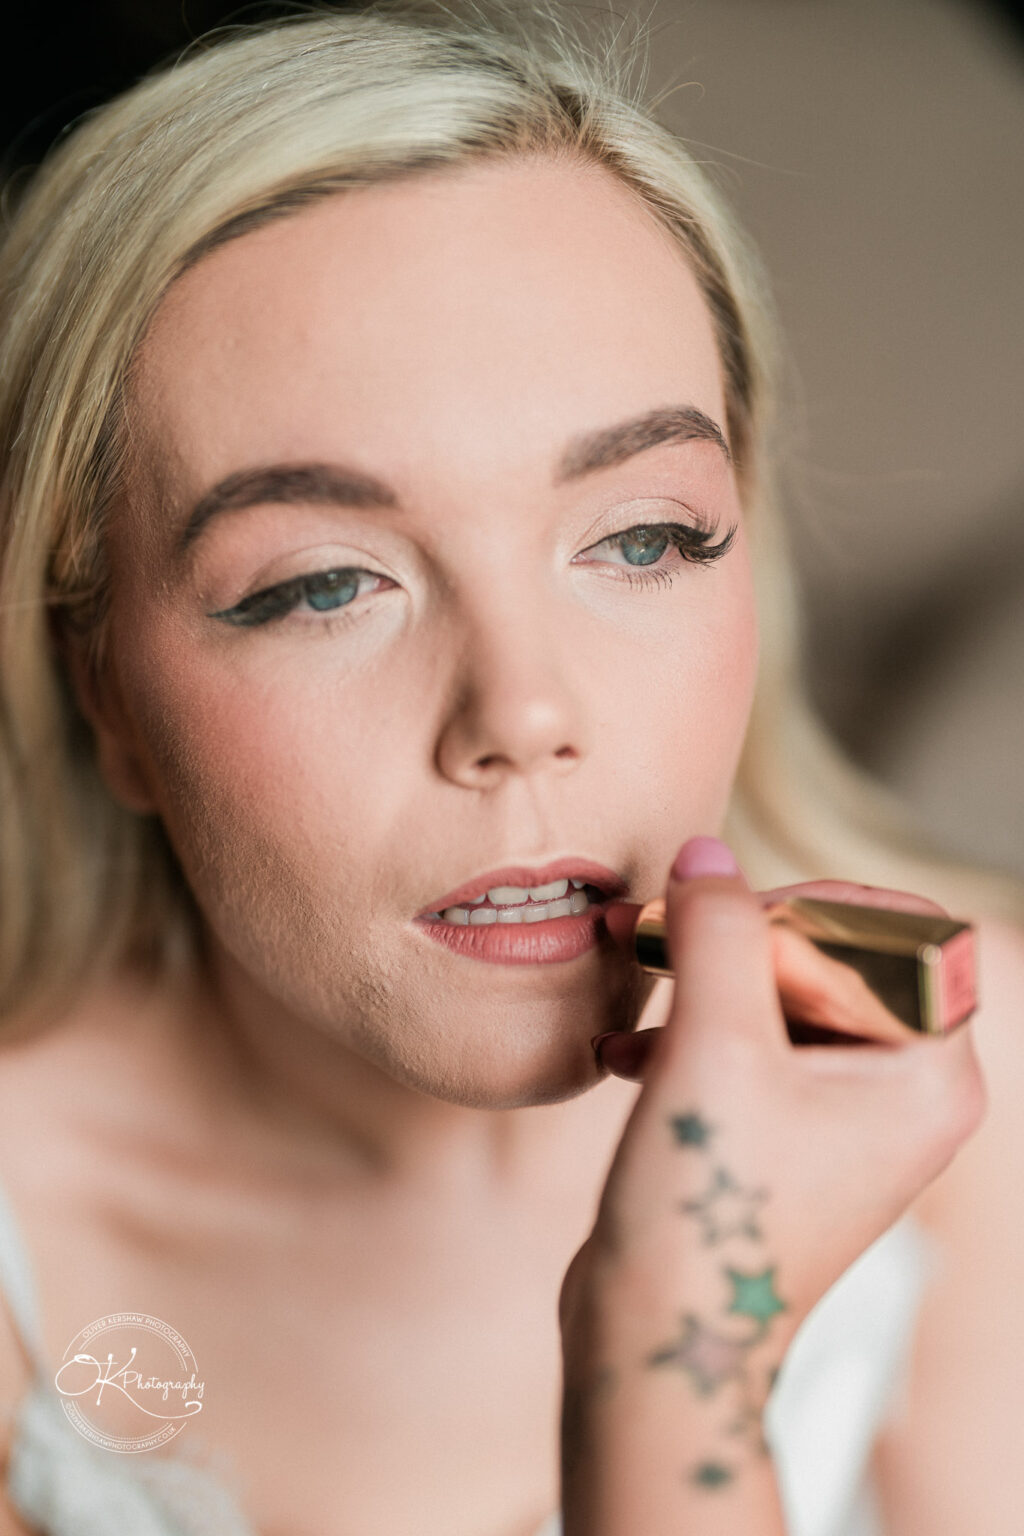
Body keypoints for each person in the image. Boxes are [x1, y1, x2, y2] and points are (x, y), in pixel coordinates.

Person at [0, 3, 1020, 1532]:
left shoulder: (972, 1080)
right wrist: (671, 1357)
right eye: (325, 584)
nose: (523, 710)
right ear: (108, 696)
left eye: (641, 538)